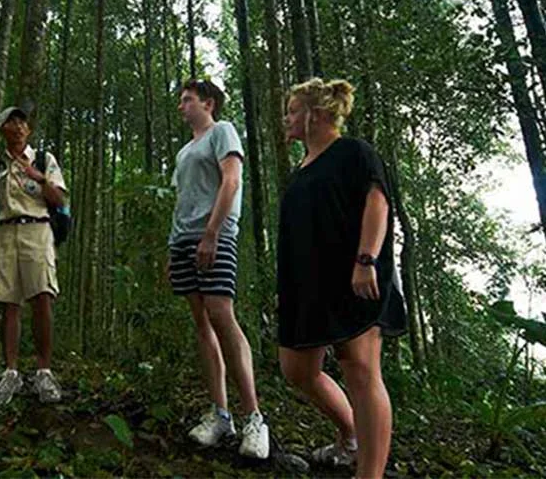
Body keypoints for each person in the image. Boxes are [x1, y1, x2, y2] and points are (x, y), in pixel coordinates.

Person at [276, 78, 406, 478]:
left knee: (361, 368)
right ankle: (350, 432)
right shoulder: (298, 173)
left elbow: (378, 201)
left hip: (356, 275)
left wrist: (366, 259)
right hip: (308, 287)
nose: (287, 119)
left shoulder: (353, 152)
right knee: (296, 369)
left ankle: (370, 473)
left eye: (294, 111)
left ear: (316, 114)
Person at [168, 80, 270, 459]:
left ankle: (255, 418)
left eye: (188, 100)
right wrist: (172, 246)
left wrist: (211, 234)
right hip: (183, 241)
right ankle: (220, 414)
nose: (182, 106)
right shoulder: (183, 152)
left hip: (215, 236)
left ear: (208, 103)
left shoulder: (222, 132)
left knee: (221, 314)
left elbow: (231, 180)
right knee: (202, 322)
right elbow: (183, 200)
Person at [0, 106, 67, 406]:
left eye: (22, 122)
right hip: (5, 232)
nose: (17, 126)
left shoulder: (44, 159)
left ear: (28, 129)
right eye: (10, 122)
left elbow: (59, 199)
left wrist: (40, 179)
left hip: (38, 231)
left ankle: (44, 371)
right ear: (2, 129)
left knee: (42, 297)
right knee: (8, 302)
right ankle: (11, 373)